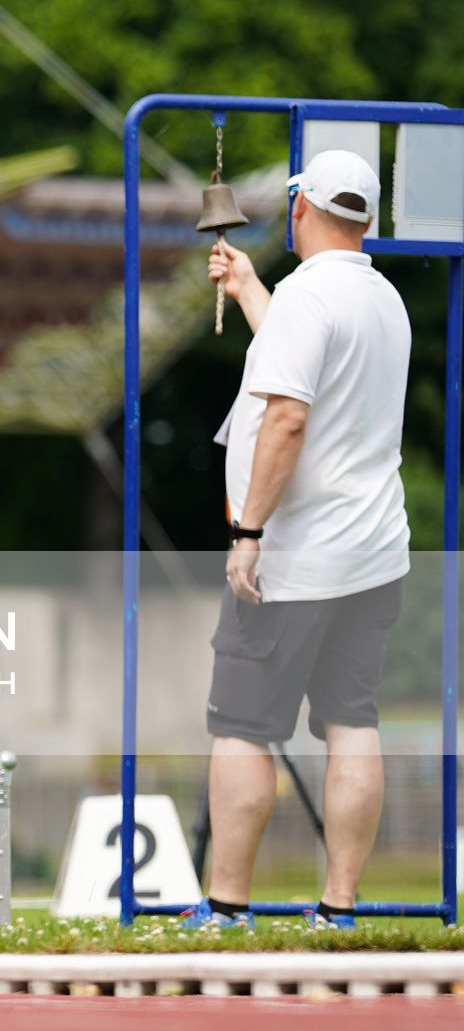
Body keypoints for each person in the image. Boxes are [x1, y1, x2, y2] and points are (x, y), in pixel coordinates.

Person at [191, 149, 412, 932]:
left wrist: (248, 533)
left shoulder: (309, 300)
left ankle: (226, 909)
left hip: (292, 557)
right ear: (369, 218)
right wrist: (253, 289)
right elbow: (303, 364)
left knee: (242, 726)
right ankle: (338, 909)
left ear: (300, 209)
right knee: (353, 721)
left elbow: (288, 414)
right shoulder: (383, 300)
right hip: (374, 552)